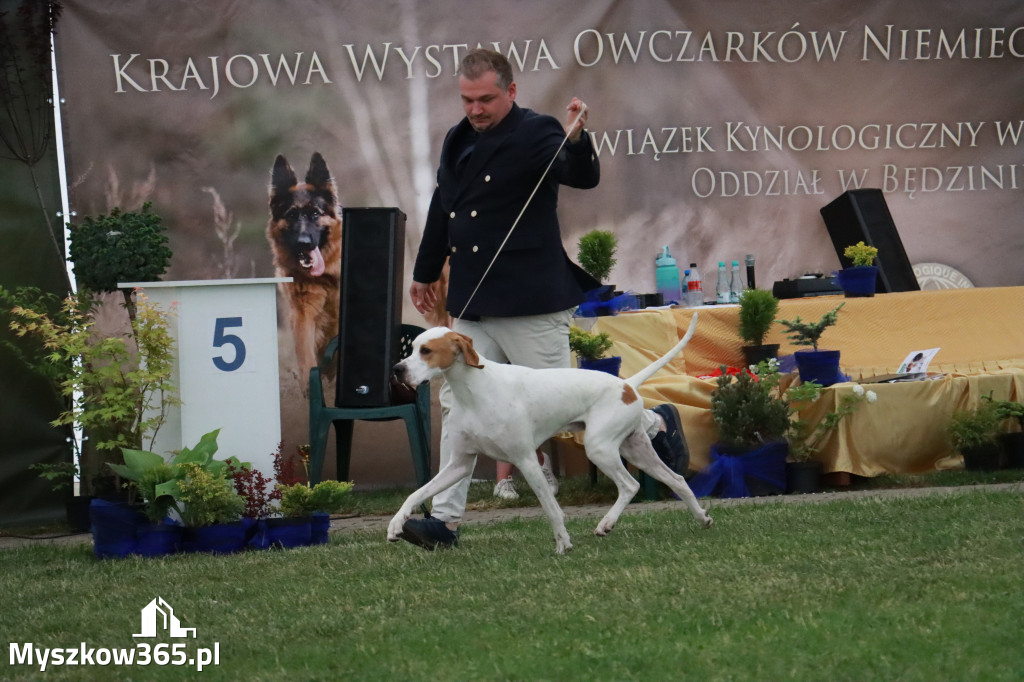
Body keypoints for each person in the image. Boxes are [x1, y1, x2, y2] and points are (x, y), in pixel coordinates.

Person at [401, 48, 689, 550]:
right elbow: (444, 207)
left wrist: (577, 141)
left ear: (511, 92)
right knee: (458, 408)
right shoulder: (456, 139)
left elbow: (579, 174)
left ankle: (652, 423)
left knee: (566, 408)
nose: (476, 109)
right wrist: (426, 271)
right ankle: (444, 524)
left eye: (487, 98)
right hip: (471, 299)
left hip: (530, 296)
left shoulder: (537, 131)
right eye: (468, 99)